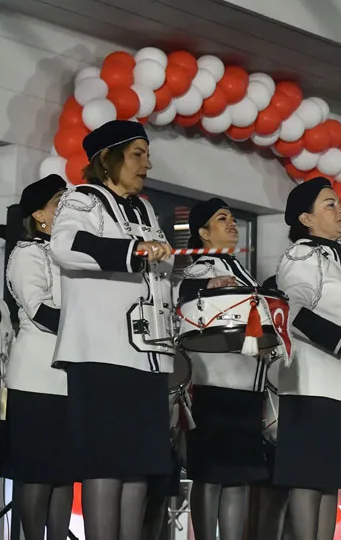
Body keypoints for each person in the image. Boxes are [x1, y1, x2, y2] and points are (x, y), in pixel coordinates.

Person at [50, 119, 176, 540]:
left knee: (138, 465)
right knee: (105, 464)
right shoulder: (83, 199)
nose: (148, 164)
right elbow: (66, 246)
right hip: (101, 353)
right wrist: (135, 250)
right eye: (138, 154)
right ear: (108, 159)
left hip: (147, 354)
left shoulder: (144, 209)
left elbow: (157, 270)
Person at [274, 177, 341, 540]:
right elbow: (294, 313)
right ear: (306, 219)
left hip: (340, 384)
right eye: (329, 205)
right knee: (307, 478)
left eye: (338, 203)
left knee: (328, 482)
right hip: (310, 383)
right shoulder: (303, 254)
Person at [175, 198, 272, 540]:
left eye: (232, 218)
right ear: (203, 232)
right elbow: (185, 302)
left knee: (238, 475)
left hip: (246, 384)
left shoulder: (240, 269)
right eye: (221, 219)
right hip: (211, 382)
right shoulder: (198, 269)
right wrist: (207, 290)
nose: (231, 224)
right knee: (210, 473)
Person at [5, 174, 73, 540]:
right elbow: (40, 311)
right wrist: (89, 325)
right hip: (36, 379)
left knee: (63, 473)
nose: (68, 209)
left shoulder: (71, 255)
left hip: (69, 379)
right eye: (59, 202)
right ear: (40, 215)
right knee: (36, 472)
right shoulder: (27, 253)